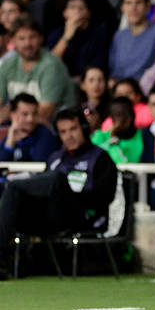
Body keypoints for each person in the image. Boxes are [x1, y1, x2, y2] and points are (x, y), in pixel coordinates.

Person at [0, 107, 117, 280]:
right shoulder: (56, 157)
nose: (69, 136)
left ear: (84, 128)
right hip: (50, 216)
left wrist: (68, 193)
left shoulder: (100, 158)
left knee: (57, 178)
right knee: (14, 191)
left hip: (81, 216)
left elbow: (104, 198)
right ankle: (2, 260)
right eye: (63, 132)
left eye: (73, 129)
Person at [0, 14, 76, 124]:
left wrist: (9, 113)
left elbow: (45, 112)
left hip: (57, 126)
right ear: (12, 41)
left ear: (41, 38)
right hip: (22, 124)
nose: (27, 44)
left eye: (32, 37)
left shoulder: (51, 65)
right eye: (21, 38)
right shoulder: (8, 64)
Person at [47, 0, 112, 78]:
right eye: (72, 7)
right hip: (62, 80)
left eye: (81, 7)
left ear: (88, 13)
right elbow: (50, 64)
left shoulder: (99, 33)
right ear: (65, 13)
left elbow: (100, 65)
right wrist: (67, 36)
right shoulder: (56, 34)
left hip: (89, 80)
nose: (77, 11)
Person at [109, 0, 155, 81]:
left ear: (148, 6)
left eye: (138, 2)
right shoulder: (119, 36)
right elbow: (113, 70)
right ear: (123, 8)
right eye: (128, 3)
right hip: (119, 86)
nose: (133, 8)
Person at [0, 93, 59, 162]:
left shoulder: (45, 135)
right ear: (13, 115)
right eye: (25, 114)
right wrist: (10, 143)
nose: (30, 119)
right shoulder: (10, 135)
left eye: (34, 114)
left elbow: (38, 164)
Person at [92, 96, 144, 164]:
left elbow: (125, 166)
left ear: (133, 115)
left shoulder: (144, 136)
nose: (121, 119)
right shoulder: (100, 137)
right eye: (116, 115)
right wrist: (113, 140)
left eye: (125, 114)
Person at [79, 66, 111, 132]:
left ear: (106, 83)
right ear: (82, 85)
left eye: (100, 80)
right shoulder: (78, 111)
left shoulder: (112, 108)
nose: (96, 84)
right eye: (91, 80)